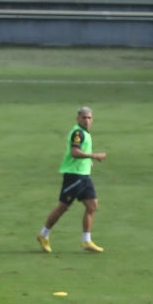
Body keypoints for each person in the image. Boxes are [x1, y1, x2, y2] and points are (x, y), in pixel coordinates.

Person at [37, 105, 106, 253]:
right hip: (73, 176)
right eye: (83, 117)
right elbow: (75, 152)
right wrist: (94, 156)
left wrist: (88, 161)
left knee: (92, 205)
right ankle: (43, 235)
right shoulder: (78, 133)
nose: (86, 120)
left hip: (83, 175)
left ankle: (86, 241)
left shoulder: (85, 133)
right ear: (78, 118)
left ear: (92, 119)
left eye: (89, 118)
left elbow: (81, 152)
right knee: (63, 207)